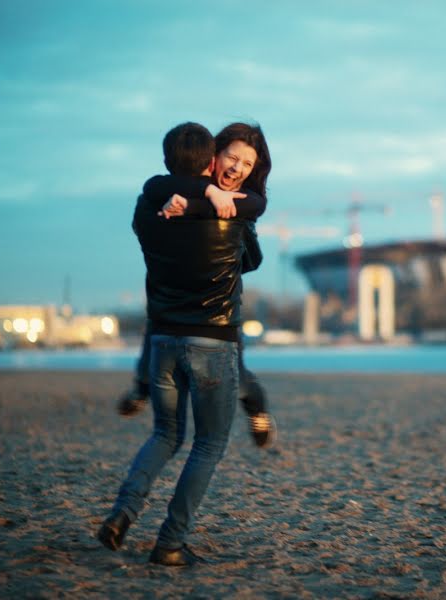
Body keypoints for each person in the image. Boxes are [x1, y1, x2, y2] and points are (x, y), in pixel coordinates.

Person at [97, 122, 260, 566]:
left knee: (165, 434)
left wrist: (190, 194)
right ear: (210, 164)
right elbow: (254, 258)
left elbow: (153, 187)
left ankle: (120, 516)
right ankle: (169, 542)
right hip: (212, 341)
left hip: (163, 340)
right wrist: (211, 196)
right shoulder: (231, 212)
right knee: (209, 443)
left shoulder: (148, 213)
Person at [117, 123, 277, 448]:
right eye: (232, 157)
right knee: (154, 347)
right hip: (168, 301)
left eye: (247, 164)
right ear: (212, 156)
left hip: (220, 307)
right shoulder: (174, 186)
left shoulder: (244, 201)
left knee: (238, 379)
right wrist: (207, 192)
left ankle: (258, 409)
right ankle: (141, 387)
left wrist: (194, 206)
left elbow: (253, 245)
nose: (237, 168)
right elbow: (154, 186)